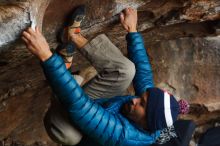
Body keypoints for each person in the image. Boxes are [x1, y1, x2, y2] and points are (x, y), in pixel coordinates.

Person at [22, 6, 189, 146]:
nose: (134, 99)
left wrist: (47, 56)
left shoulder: (123, 135)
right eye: (142, 97)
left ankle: (67, 75)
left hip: (83, 124)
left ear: (146, 124)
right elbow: (143, 74)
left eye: (141, 104)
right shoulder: (153, 114)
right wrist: (133, 30)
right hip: (100, 107)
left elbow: (81, 107)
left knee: (67, 134)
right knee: (127, 70)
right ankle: (72, 36)